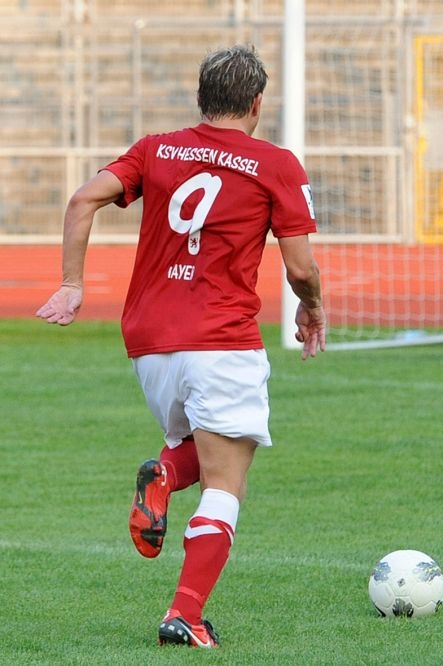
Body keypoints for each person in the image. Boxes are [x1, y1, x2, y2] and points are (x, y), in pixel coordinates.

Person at [36, 44, 326, 648]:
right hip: (220, 339)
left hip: (148, 343)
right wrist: (313, 307)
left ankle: (165, 472)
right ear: (256, 103)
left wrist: (71, 284)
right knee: (227, 479)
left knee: (203, 447)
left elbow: (82, 199)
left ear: (201, 98)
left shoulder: (155, 149)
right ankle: (185, 615)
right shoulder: (275, 163)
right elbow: (299, 266)